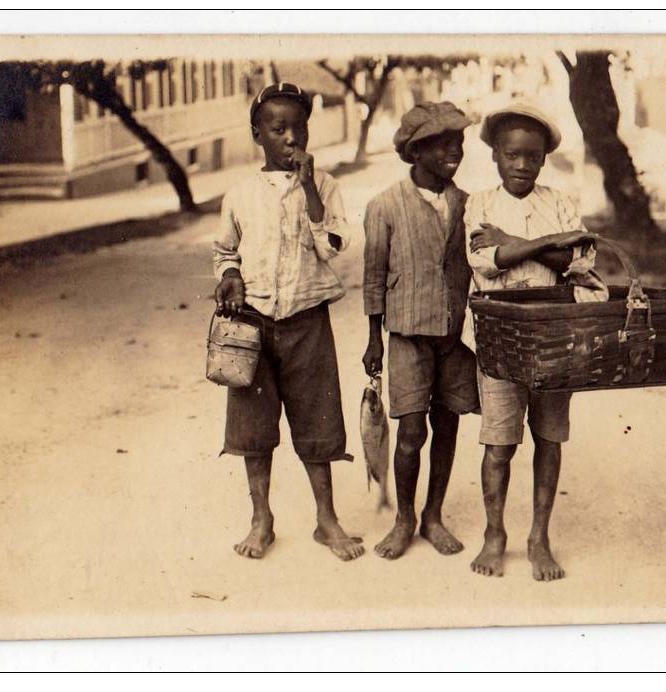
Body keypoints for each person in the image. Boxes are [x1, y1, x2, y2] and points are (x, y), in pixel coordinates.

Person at [213, 83, 364, 562]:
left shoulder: (326, 187)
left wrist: (312, 191)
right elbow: (224, 252)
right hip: (253, 323)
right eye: (278, 129)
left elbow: (332, 246)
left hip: (306, 320)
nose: (291, 139)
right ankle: (261, 517)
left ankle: (327, 519)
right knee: (253, 428)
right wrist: (230, 276)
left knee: (317, 421)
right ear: (257, 134)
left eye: (299, 128)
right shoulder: (239, 194)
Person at [465, 102, 605, 581]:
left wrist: (519, 243)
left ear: (544, 158)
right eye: (512, 155)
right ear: (495, 157)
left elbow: (581, 261)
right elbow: (488, 260)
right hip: (501, 340)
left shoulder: (561, 199)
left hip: (554, 338)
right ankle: (494, 532)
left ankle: (538, 537)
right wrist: (548, 244)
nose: (522, 165)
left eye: (532, 157)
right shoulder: (479, 204)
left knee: (549, 437)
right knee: (499, 442)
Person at [362, 102, 480, 560]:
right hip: (407, 336)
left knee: (447, 423)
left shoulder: (466, 205)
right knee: (411, 431)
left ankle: (433, 515)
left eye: (459, 142)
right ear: (415, 152)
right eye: (442, 143)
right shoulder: (384, 206)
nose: (455, 150)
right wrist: (374, 337)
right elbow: (373, 277)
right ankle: (404, 518)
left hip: (451, 336)